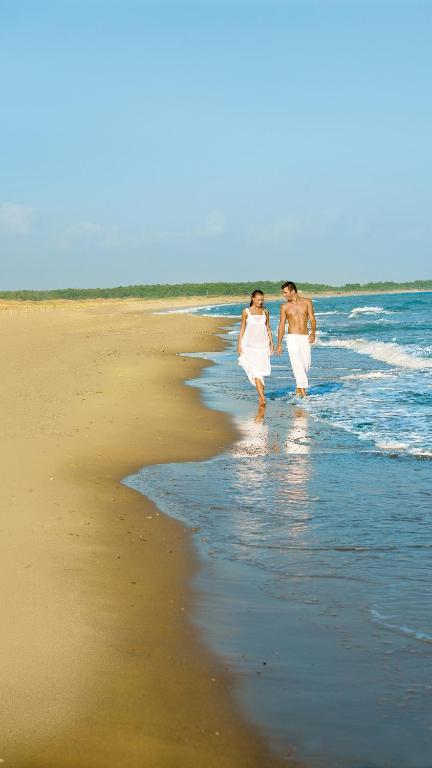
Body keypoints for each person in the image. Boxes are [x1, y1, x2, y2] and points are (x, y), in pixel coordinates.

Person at [276, 281, 316, 397]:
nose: (284, 295)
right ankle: (304, 395)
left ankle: (299, 388)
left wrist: (313, 333)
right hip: (292, 338)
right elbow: (281, 325)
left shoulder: (307, 302)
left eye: (285, 292)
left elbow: (312, 319)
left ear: (293, 291)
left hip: (305, 337)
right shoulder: (284, 306)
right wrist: (279, 344)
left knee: (306, 365)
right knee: (297, 365)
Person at [238, 289, 274, 406]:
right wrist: (239, 344)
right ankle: (263, 398)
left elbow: (268, 328)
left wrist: (271, 343)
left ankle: (260, 396)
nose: (260, 302)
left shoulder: (265, 312)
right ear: (252, 299)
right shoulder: (246, 312)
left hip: (263, 346)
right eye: (258, 300)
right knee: (256, 372)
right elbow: (242, 329)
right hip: (249, 346)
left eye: (262, 300)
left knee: (261, 372)